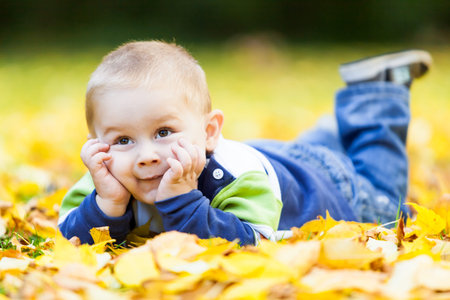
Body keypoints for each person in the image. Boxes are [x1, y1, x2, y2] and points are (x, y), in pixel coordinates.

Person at [58, 41, 432, 245]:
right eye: (123, 139)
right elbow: (68, 240)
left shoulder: (236, 179)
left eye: (163, 133)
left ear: (208, 133)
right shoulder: (106, 178)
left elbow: (251, 242)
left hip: (319, 183)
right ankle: (333, 129)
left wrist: (182, 201)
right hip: (272, 157)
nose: (146, 157)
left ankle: (378, 91)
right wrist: (106, 205)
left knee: (387, 205)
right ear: (98, 145)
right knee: (306, 153)